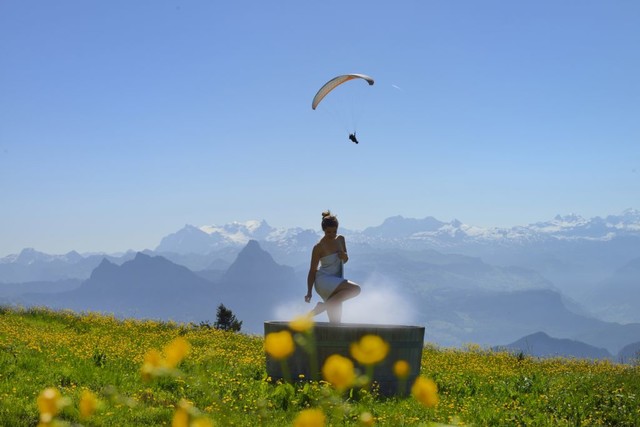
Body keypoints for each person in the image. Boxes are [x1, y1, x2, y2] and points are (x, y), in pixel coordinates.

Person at [305, 211, 361, 323]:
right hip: (324, 281)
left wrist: (344, 256)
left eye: (334, 231)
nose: (331, 234)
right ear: (323, 230)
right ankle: (323, 306)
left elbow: (345, 260)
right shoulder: (318, 247)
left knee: (335, 321)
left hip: (337, 280)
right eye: (328, 232)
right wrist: (309, 292)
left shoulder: (340, 239)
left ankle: (323, 306)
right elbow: (312, 271)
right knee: (356, 289)